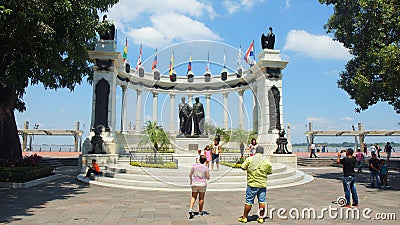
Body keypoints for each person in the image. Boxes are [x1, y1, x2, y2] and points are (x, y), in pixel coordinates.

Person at [238, 146, 272, 223]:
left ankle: (245, 217)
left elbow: (243, 167)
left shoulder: (250, 159)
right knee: (262, 201)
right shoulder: (266, 161)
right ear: (263, 152)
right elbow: (269, 172)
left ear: (255, 151)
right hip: (262, 184)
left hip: (252, 184)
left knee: (249, 201)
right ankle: (261, 218)